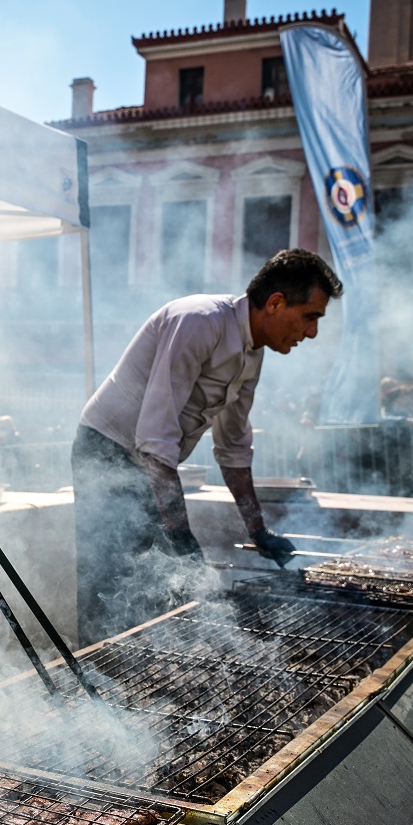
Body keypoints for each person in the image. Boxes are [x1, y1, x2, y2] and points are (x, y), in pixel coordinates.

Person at [71, 249, 343, 646]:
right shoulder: (198, 321)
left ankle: (141, 667)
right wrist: (181, 533)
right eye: (311, 317)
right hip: (106, 451)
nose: (313, 332)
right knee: (110, 576)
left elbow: (233, 446)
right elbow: (155, 438)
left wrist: (259, 530)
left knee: (154, 578)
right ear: (276, 303)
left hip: (147, 462)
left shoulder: (253, 355)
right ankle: (95, 674)